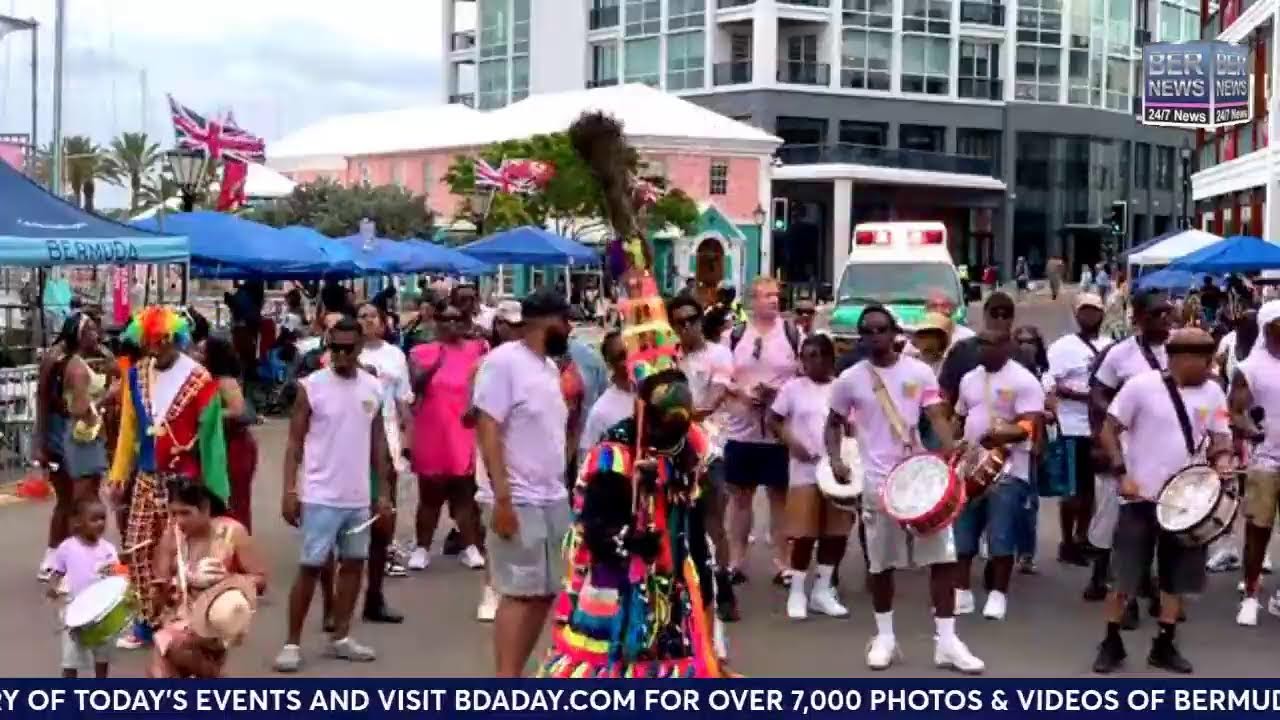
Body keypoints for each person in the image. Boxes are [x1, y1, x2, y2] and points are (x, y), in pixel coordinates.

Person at [826, 305, 980, 672]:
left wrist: (951, 447)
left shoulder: (919, 372)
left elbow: (936, 415)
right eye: (868, 331)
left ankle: (947, 641)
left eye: (882, 329)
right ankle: (885, 638)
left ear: (895, 332)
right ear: (861, 337)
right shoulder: (850, 379)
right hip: (878, 482)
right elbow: (832, 422)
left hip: (919, 478)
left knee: (942, 559)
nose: (875, 336)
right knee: (881, 565)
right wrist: (835, 458)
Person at [1093, 328, 1232, 674]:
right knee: (1123, 576)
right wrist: (1122, 472)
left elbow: (1221, 438)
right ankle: (1111, 642)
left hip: (1187, 503)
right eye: (1204, 360)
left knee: (1176, 579)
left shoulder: (1214, 392)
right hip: (1140, 496)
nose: (1210, 367)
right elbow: (1108, 429)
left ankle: (1165, 644)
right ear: (1180, 359)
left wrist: (1224, 462)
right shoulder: (1141, 386)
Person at [273, 317, 393, 672]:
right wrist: (289, 490)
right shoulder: (312, 387)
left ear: (359, 347)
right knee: (310, 567)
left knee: (354, 565)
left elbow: (378, 441)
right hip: (319, 494)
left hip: (357, 496)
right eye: (334, 347)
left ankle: (341, 636)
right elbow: (294, 442)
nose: (340, 354)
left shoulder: (372, 387)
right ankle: (291, 643)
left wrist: (383, 492)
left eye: (347, 348)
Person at [109, 307, 229, 649]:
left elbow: (212, 439)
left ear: (177, 339)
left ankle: (186, 622)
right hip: (147, 477)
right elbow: (128, 430)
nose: (157, 347)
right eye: (150, 340)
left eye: (163, 339)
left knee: (181, 553)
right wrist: (119, 474)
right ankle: (146, 621)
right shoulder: (137, 374)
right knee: (137, 548)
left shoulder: (200, 379)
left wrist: (215, 490)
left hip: (185, 482)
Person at [473, 289, 572, 677]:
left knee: (546, 592)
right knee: (518, 592)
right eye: (564, 320)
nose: (569, 328)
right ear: (542, 322)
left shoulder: (548, 367)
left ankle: (517, 674)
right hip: (516, 496)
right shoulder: (502, 364)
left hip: (551, 495)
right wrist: (502, 499)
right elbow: (488, 428)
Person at [1087, 289, 1172, 617]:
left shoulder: (1181, 348)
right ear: (1138, 318)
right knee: (1121, 521)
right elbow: (1097, 394)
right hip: (1125, 449)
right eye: (1156, 314)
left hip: (1168, 450)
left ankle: (1159, 592)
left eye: (1167, 312)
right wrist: (1118, 421)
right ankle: (1124, 594)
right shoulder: (1120, 355)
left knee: (1166, 520)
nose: (1164, 319)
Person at [952, 328, 1044, 620]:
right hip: (971, 465)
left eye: (992, 344)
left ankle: (997, 595)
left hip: (1009, 468)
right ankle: (962, 592)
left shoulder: (1024, 380)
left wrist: (1006, 434)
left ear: (1007, 346)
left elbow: (1031, 424)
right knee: (963, 533)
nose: (985, 350)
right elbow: (960, 417)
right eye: (981, 345)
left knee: (1001, 534)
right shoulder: (969, 379)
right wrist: (953, 446)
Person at [149, 477, 266, 678]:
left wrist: (227, 580)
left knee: (169, 649)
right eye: (173, 513)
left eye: (186, 513)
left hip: (217, 620)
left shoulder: (232, 533)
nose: (178, 521)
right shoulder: (172, 536)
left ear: (205, 509)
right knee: (159, 674)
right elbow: (160, 584)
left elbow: (261, 579)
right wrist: (168, 587)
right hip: (179, 618)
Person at [723, 277, 800, 585]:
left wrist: (777, 396)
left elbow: (805, 377)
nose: (773, 300)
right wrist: (742, 394)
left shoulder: (794, 334)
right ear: (751, 301)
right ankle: (736, 561)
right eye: (766, 296)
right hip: (741, 431)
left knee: (779, 499)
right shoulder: (734, 336)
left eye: (776, 295)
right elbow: (722, 380)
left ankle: (783, 563)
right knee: (740, 498)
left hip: (778, 432)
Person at [769, 334, 850, 621]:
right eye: (807, 356)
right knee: (804, 534)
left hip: (837, 469)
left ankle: (823, 589)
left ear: (831, 358)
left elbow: (853, 423)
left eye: (819, 356)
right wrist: (793, 443)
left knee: (836, 534)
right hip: (804, 470)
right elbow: (774, 419)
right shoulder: (793, 389)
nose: (813, 362)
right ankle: (798, 590)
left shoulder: (842, 387)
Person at [670, 295, 738, 622]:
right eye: (678, 322)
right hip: (672, 451)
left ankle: (724, 586)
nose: (686, 328)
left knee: (713, 520)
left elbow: (714, 399)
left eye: (691, 320)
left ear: (700, 321)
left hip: (710, 450)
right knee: (676, 519)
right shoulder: (668, 358)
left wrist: (680, 416)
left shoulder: (718, 354)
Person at [408, 300, 487, 571]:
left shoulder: (478, 350)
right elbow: (414, 388)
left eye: (457, 319)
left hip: (464, 429)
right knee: (430, 493)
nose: (451, 325)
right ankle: (421, 547)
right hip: (432, 429)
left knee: (464, 493)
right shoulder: (421, 352)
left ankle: (470, 546)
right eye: (445, 319)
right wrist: (434, 365)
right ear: (436, 322)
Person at [39, 314, 111, 582]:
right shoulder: (76, 366)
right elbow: (81, 409)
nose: (97, 334)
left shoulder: (68, 359)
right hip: (83, 438)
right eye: (91, 330)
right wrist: (109, 396)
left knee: (75, 500)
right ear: (78, 334)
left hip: (73, 437)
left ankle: (63, 559)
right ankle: (74, 560)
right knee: (82, 502)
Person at [355, 302, 414, 610]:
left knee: (386, 491)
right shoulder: (350, 354)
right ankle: (356, 547)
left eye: (371, 316)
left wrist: (408, 438)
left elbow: (404, 399)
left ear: (383, 321)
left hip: (387, 429)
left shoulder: (394, 355)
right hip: (353, 433)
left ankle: (387, 548)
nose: (367, 321)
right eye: (361, 317)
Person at [1046, 293, 1111, 568]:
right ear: (1076, 314)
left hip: (1100, 429)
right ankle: (1067, 542)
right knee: (1071, 490)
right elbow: (1051, 382)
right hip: (1071, 425)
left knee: (1091, 490)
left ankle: (1085, 537)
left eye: (1095, 311)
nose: (1090, 316)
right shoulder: (1063, 347)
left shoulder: (1111, 346)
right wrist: (1085, 396)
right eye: (1084, 311)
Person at [469, 300, 524, 623]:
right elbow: (472, 416)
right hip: (492, 453)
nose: (514, 332)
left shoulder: (539, 364)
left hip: (527, 457)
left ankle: (517, 588)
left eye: (519, 326)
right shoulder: (484, 365)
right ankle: (491, 588)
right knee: (494, 522)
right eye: (508, 325)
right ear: (498, 327)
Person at [1230, 300, 1280, 625]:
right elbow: (1232, 411)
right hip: (1266, 461)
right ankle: (1250, 596)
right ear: (1267, 327)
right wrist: (1251, 431)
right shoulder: (1251, 368)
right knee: (1258, 531)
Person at [47, 498, 118, 678]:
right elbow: (57, 571)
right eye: (94, 519)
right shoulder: (67, 547)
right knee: (71, 659)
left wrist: (121, 568)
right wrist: (53, 588)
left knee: (102, 656)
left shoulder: (108, 549)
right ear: (78, 522)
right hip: (75, 611)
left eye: (103, 518)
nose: (100, 523)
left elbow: (117, 575)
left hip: (102, 611)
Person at [194, 337, 256, 532]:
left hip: (235, 448)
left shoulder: (225, 382)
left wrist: (207, 416)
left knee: (234, 499)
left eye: (201, 351)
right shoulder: (206, 380)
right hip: (220, 445)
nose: (196, 354)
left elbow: (238, 411)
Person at [1012, 325, 1051, 574]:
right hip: (1004, 443)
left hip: (1033, 443)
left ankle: (1026, 552)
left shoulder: (1045, 375)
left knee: (1029, 501)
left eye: (1032, 342)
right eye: (1022, 342)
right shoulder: (1009, 373)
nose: (1027, 347)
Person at [939, 292, 1017, 406]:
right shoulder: (962, 349)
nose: (1000, 319)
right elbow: (946, 391)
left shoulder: (1020, 351)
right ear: (985, 314)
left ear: (1012, 318)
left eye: (1006, 315)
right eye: (994, 314)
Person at [579, 331, 634, 450]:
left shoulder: (655, 393)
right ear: (609, 364)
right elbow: (589, 455)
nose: (629, 360)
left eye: (631, 352)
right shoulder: (601, 412)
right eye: (621, 357)